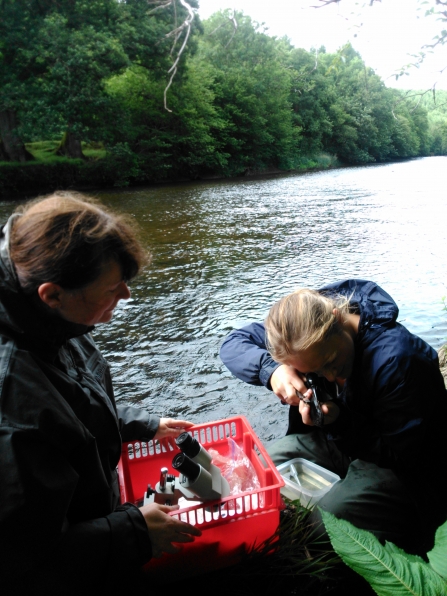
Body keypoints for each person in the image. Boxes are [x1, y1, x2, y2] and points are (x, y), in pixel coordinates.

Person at [0, 192, 201, 596]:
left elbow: (70, 401)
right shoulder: (10, 400)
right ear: (52, 294)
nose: (125, 295)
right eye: (112, 288)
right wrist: (134, 531)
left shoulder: (48, 320)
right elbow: (28, 560)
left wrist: (140, 425)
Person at [220, 279, 447, 555]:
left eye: (330, 361)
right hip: (336, 436)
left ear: (337, 318)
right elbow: (233, 343)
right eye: (313, 370)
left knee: (320, 528)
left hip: (399, 468)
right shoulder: (299, 324)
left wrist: (340, 423)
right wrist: (273, 371)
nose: (327, 376)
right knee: (256, 473)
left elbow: (404, 457)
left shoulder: (398, 361)